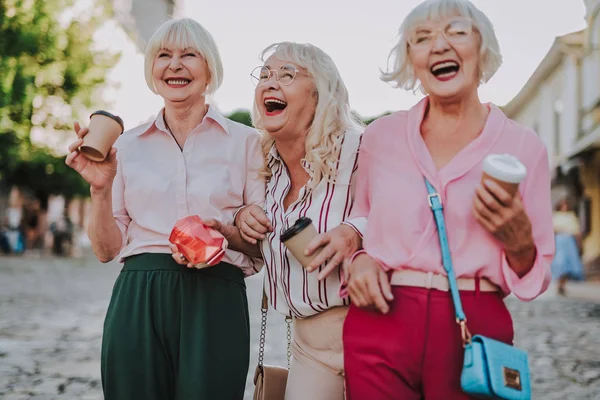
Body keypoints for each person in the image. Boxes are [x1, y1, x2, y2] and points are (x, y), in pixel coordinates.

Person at [323, 0, 555, 398]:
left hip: (475, 324)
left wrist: (518, 241)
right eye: (422, 38)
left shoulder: (524, 146)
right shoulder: (380, 138)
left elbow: (535, 276)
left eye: (456, 32)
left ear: (482, 47)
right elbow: (362, 222)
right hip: (381, 317)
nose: (439, 45)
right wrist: (358, 262)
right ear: (411, 59)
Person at [65, 18, 264, 400]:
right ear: (152, 71)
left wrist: (223, 232)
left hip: (215, 295)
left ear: (210, 70)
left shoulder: (248, 143)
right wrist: (100, 189)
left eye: (189, 54)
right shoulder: (126, 145)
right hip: (139, 293)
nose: (174, 64)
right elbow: (106, 251)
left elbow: (261, 247)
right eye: (163, 55)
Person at [178, 42, 364, 400]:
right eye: (264, 76)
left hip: (372, 330)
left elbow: (400, 217)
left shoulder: (360, 151)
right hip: (309, 345)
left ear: (320, 92)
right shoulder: (267, 172)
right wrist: (232, 231)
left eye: (286, 74)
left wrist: (355, 233)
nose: (269, 82)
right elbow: (268, 253)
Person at [551, 196, 584, 295]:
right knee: (560, 263)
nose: (564, 207)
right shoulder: (555, 216)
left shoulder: (571, 216)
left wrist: (579, 244)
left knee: (568, 265)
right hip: (559, 241)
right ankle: (559, 284)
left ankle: (562, 284)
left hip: (569, 242)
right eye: (562, 205)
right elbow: (552, 230)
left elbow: (576, 231)